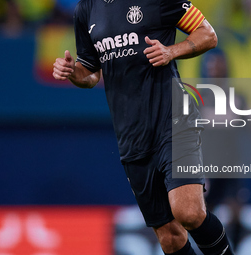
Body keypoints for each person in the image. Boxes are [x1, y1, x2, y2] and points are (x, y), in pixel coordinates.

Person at [53, 0, 234, 254]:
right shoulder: (86, 9)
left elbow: (208, 34)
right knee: (170, 237)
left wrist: (172, 51)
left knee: (189, 212)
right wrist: (73, 71)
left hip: (173, 120)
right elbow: (91, 72)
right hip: (131, 134)